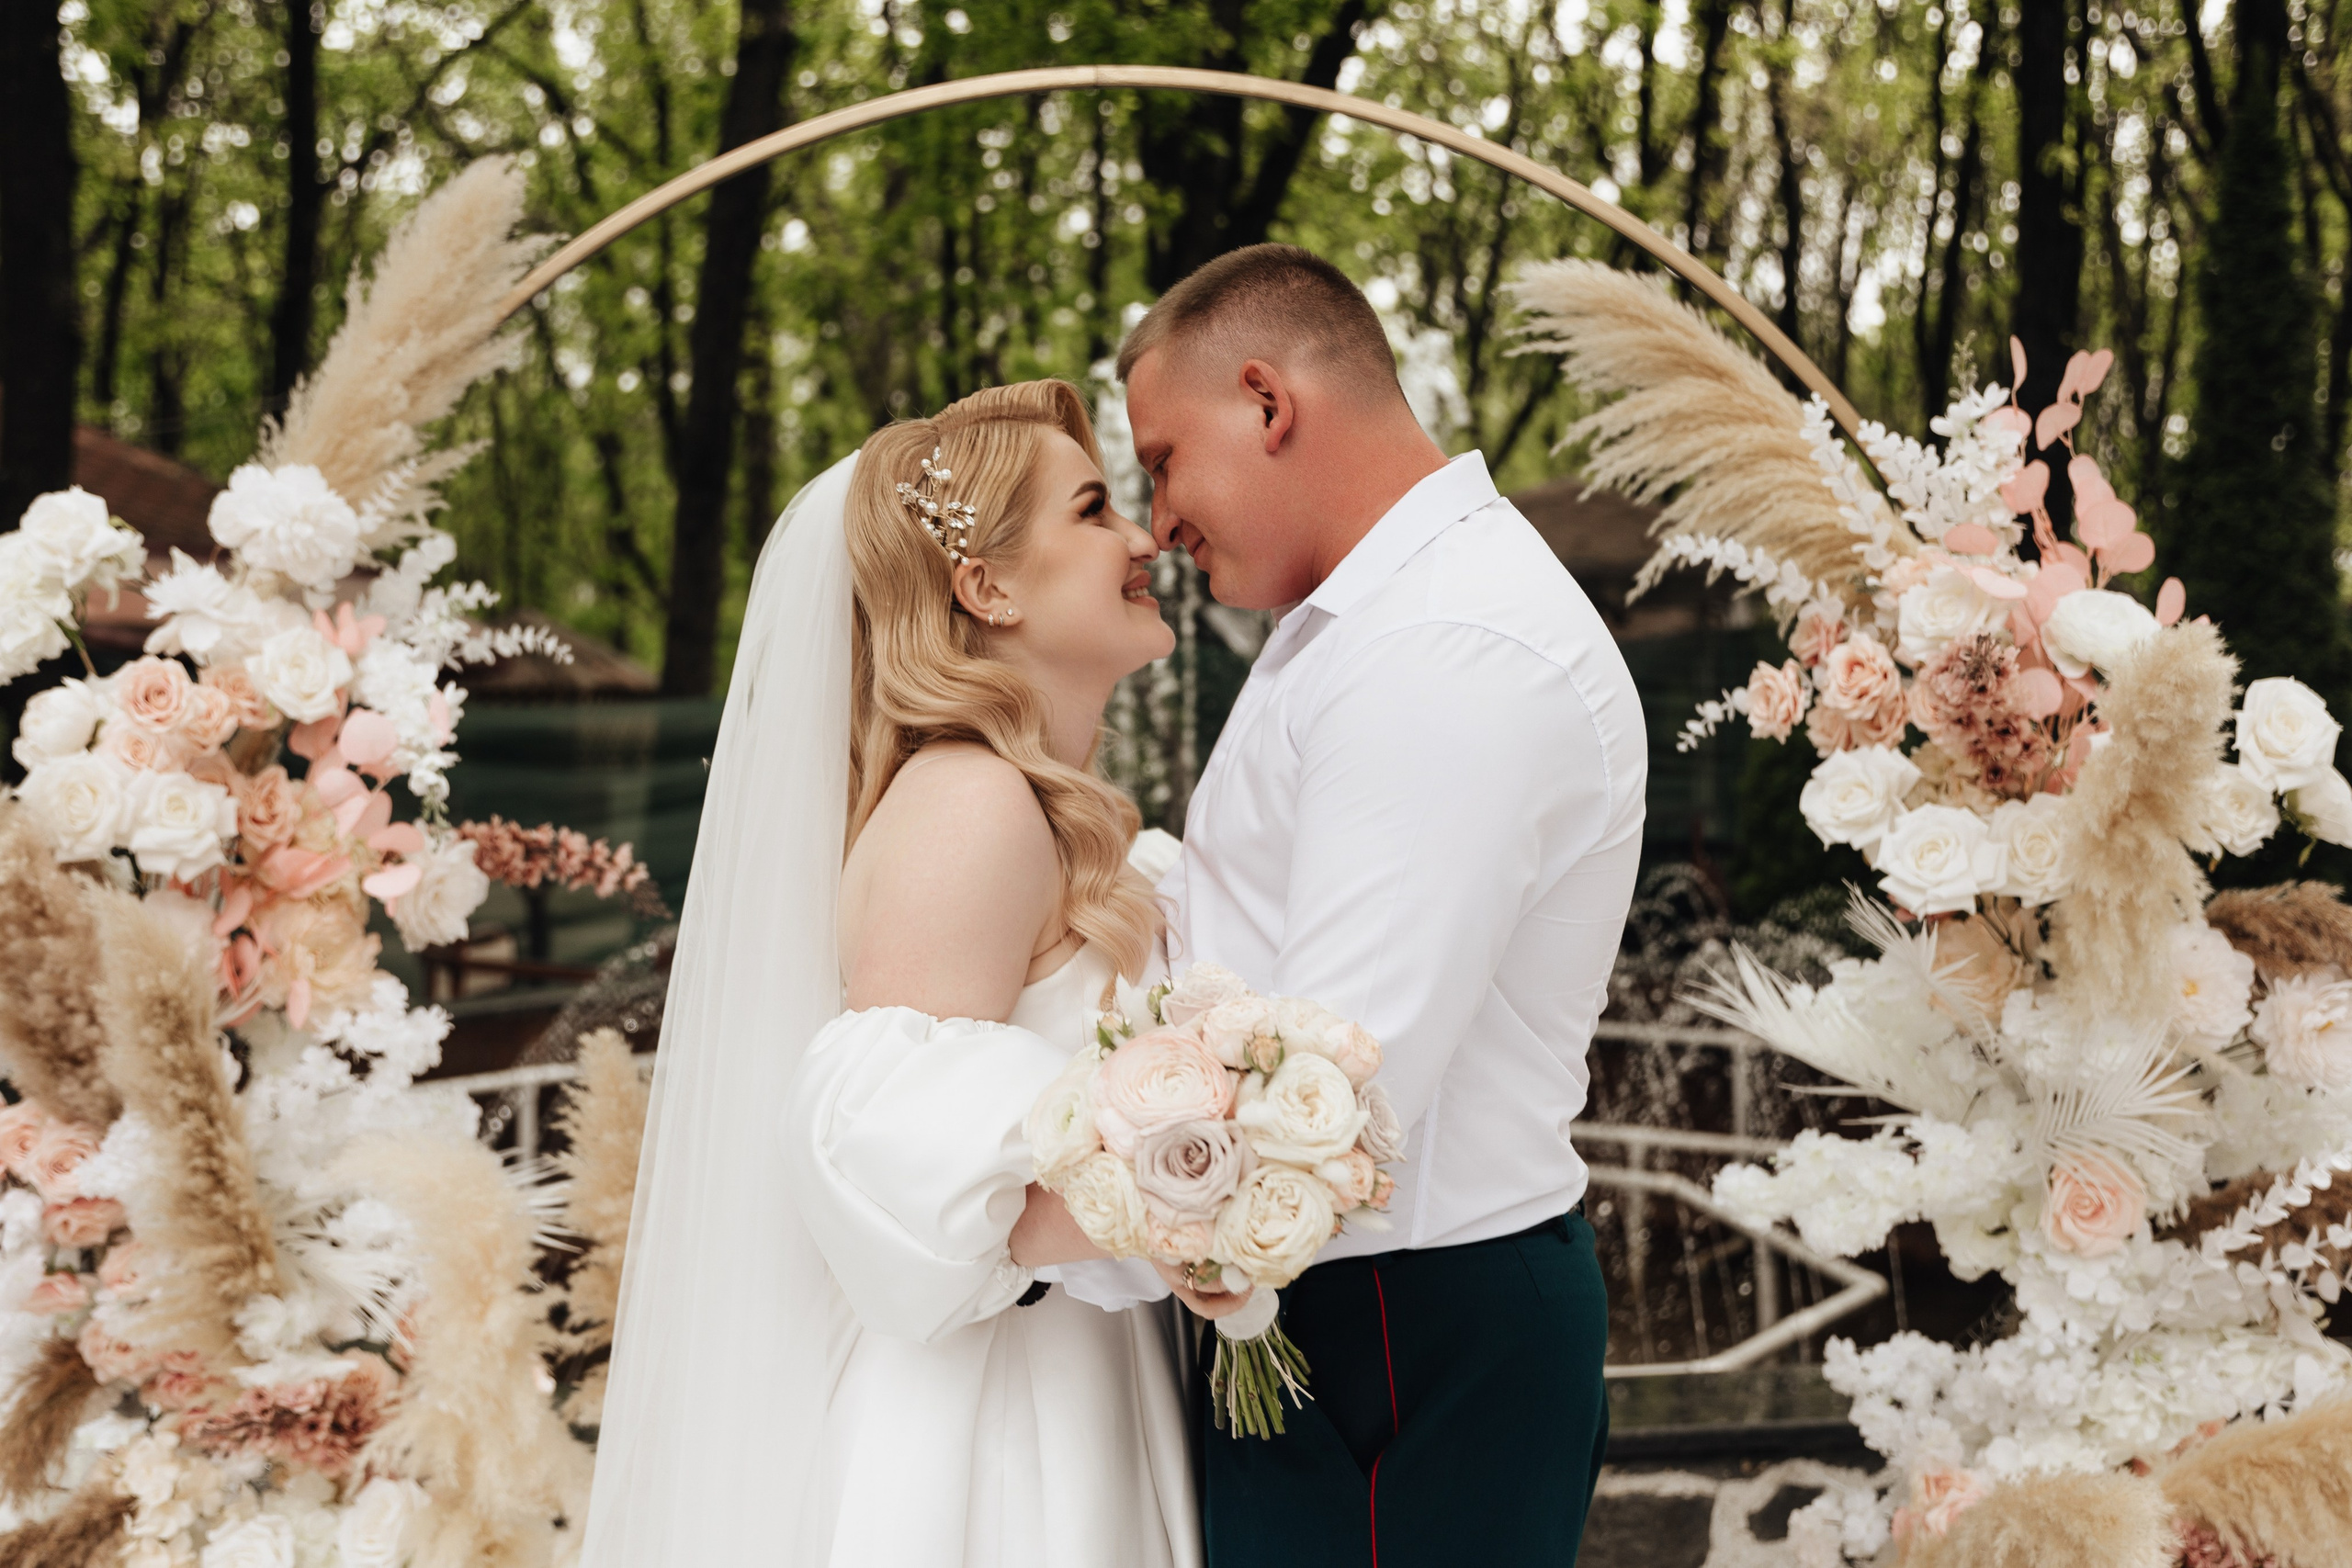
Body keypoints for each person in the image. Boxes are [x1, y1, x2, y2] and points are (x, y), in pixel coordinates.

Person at [577, 381, 1204, 1566]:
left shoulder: (1026, 805)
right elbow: (897, 1148)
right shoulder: (971, 801)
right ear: (988, 587)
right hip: (994, 1420)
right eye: (1093, 511)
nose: (1140, 539)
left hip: (1070, 1361)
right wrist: (1212, 1196)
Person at [1119, 244, 1647, 1565]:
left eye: (1163, 458)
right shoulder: (1369, 619)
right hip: (1363, 1310)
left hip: (1404, 1328)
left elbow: (1335, 1079)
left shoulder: (1444, 647)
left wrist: (1023, 1224)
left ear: (1266, 401)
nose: (1156, 520)